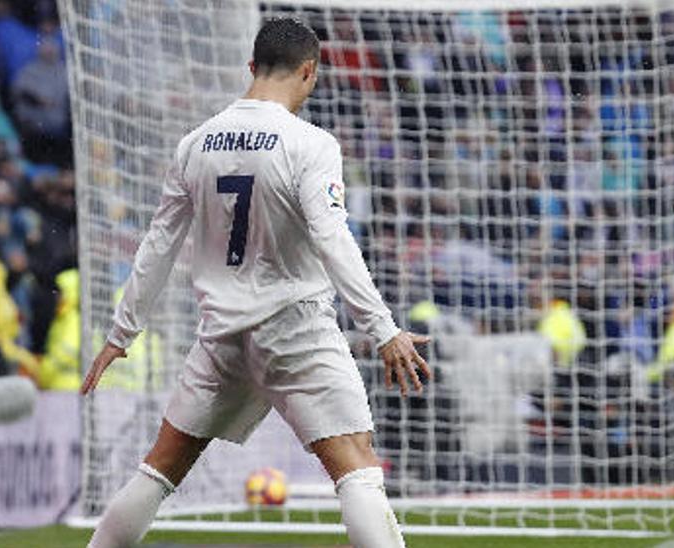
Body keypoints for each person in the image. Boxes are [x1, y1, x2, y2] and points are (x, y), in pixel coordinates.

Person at [80, 18, 430, 548]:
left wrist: (120, 333)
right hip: (295, 327)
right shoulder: (310, 144)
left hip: (221, 335)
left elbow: (157, 245)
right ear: (308, 71)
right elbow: (332, 237)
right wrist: (382, 328)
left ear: (251, 68)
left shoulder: (194, 145)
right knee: (357, 467)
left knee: (160, 468)